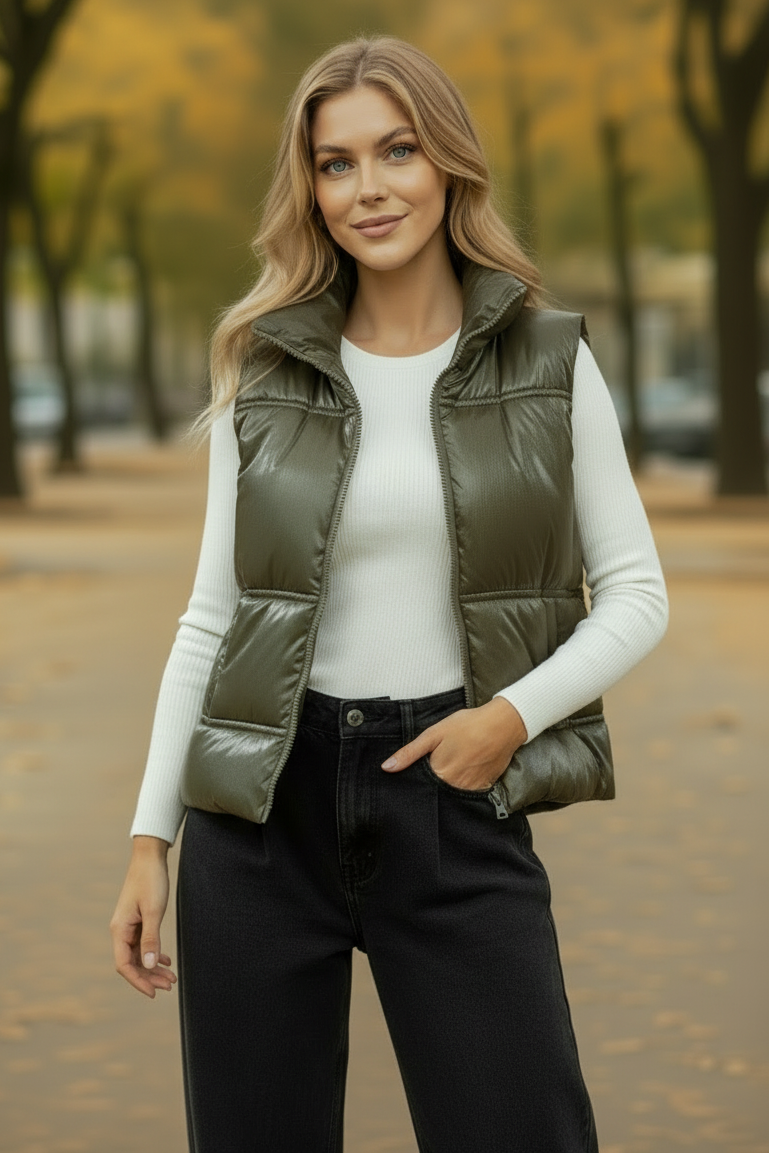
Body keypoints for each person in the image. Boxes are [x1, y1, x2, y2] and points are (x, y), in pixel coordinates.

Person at [110, 34, 668, 1153]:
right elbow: (214, 615)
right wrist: (146, 841)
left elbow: (635, 593)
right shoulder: (264, 367)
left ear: (448, 163)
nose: (369, 189)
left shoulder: (546, 359)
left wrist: (506, 719)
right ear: (309, 190)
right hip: (261, 819)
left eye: (397, 151)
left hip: (454, 800)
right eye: (335, 163)